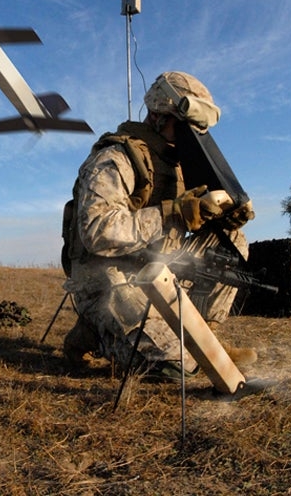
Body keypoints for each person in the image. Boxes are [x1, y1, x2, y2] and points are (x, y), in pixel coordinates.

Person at [62, 71, 256, 379]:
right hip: (108, 279)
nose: (193, 137)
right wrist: (173, 214)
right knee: (176, 366)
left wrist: (223, 215)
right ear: (157, 115)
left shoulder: (176, 164)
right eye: (187, 128)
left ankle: (205, 338)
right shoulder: (116, 159)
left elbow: (193, 223)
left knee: (232, 239)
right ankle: (92, 330)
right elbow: (97, 230)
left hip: (159, 270)